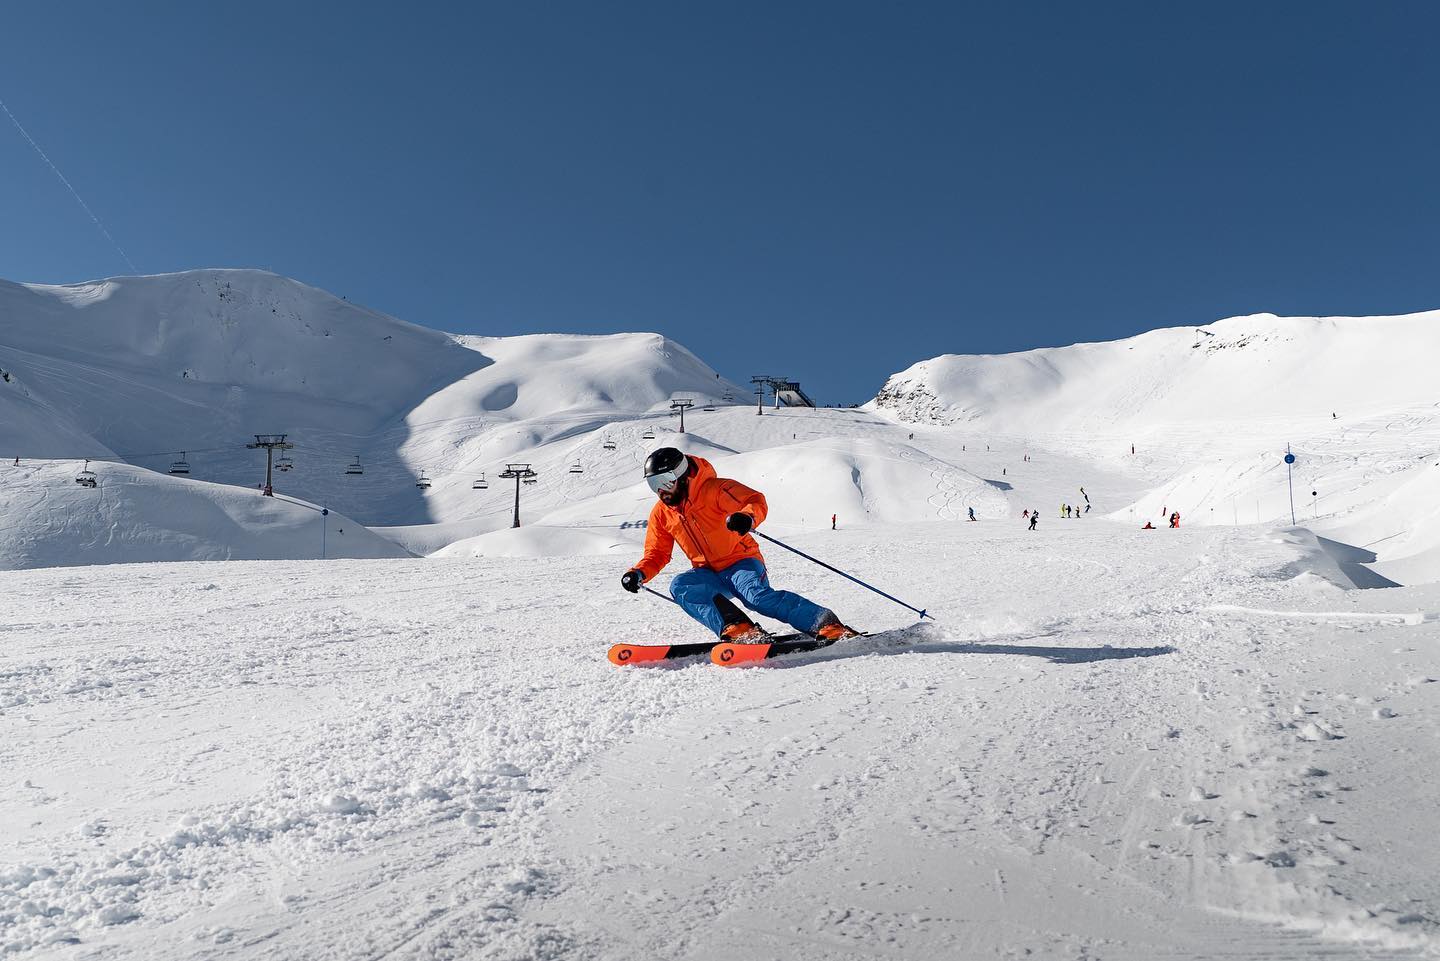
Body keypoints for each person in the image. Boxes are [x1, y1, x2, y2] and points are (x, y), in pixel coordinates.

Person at [621, 448, 859, 643]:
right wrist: (639, 572)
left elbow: (754, 500)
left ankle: (826, 624)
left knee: (756, 598)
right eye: (654, 485)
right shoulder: (661, 514)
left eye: (665, 482)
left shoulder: (714, 490)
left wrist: (747, 517)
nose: (661, 491)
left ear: (682, 477)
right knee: (682, 586)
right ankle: (739, 629)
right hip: (708, 573)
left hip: (741, 562)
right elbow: (657, 552)